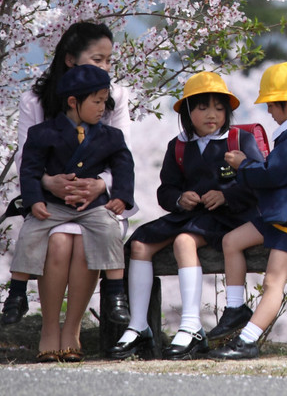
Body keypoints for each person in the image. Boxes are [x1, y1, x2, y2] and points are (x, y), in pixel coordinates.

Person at [110, 71, 263, 361]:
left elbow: (259, 183)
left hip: (230, 217)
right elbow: (165, 190)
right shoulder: (178, 146)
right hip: (192, 216)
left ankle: (191, 326)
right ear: (188, 111)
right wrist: (180, 199)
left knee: (183, 241)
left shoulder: (238, 140)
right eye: (203, 107)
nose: (212, 115)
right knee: (140, 243)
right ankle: (139, 325)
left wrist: (226, 195)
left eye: (219, 108)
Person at [2, 21, 134, 333]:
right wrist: (47, 185)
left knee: (92, 235)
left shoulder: (112, 97)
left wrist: (102, 186)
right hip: (50, 200)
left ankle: (75, 327)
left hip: (97, 200)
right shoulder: (35, 101)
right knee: (59, 241)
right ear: (70, 60)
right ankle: (47, 326)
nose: (105, 67)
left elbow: (123, 157)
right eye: (97, 59)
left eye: (108, 60)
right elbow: (27, 158)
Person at [207, 62, 287, 359]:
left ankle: (248, 340)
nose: (269, 112)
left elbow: (273, 175)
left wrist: (243, 165)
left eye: (272, 105)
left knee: (274, 280)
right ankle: (236, 308)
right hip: (281, 214)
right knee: (231, 241)